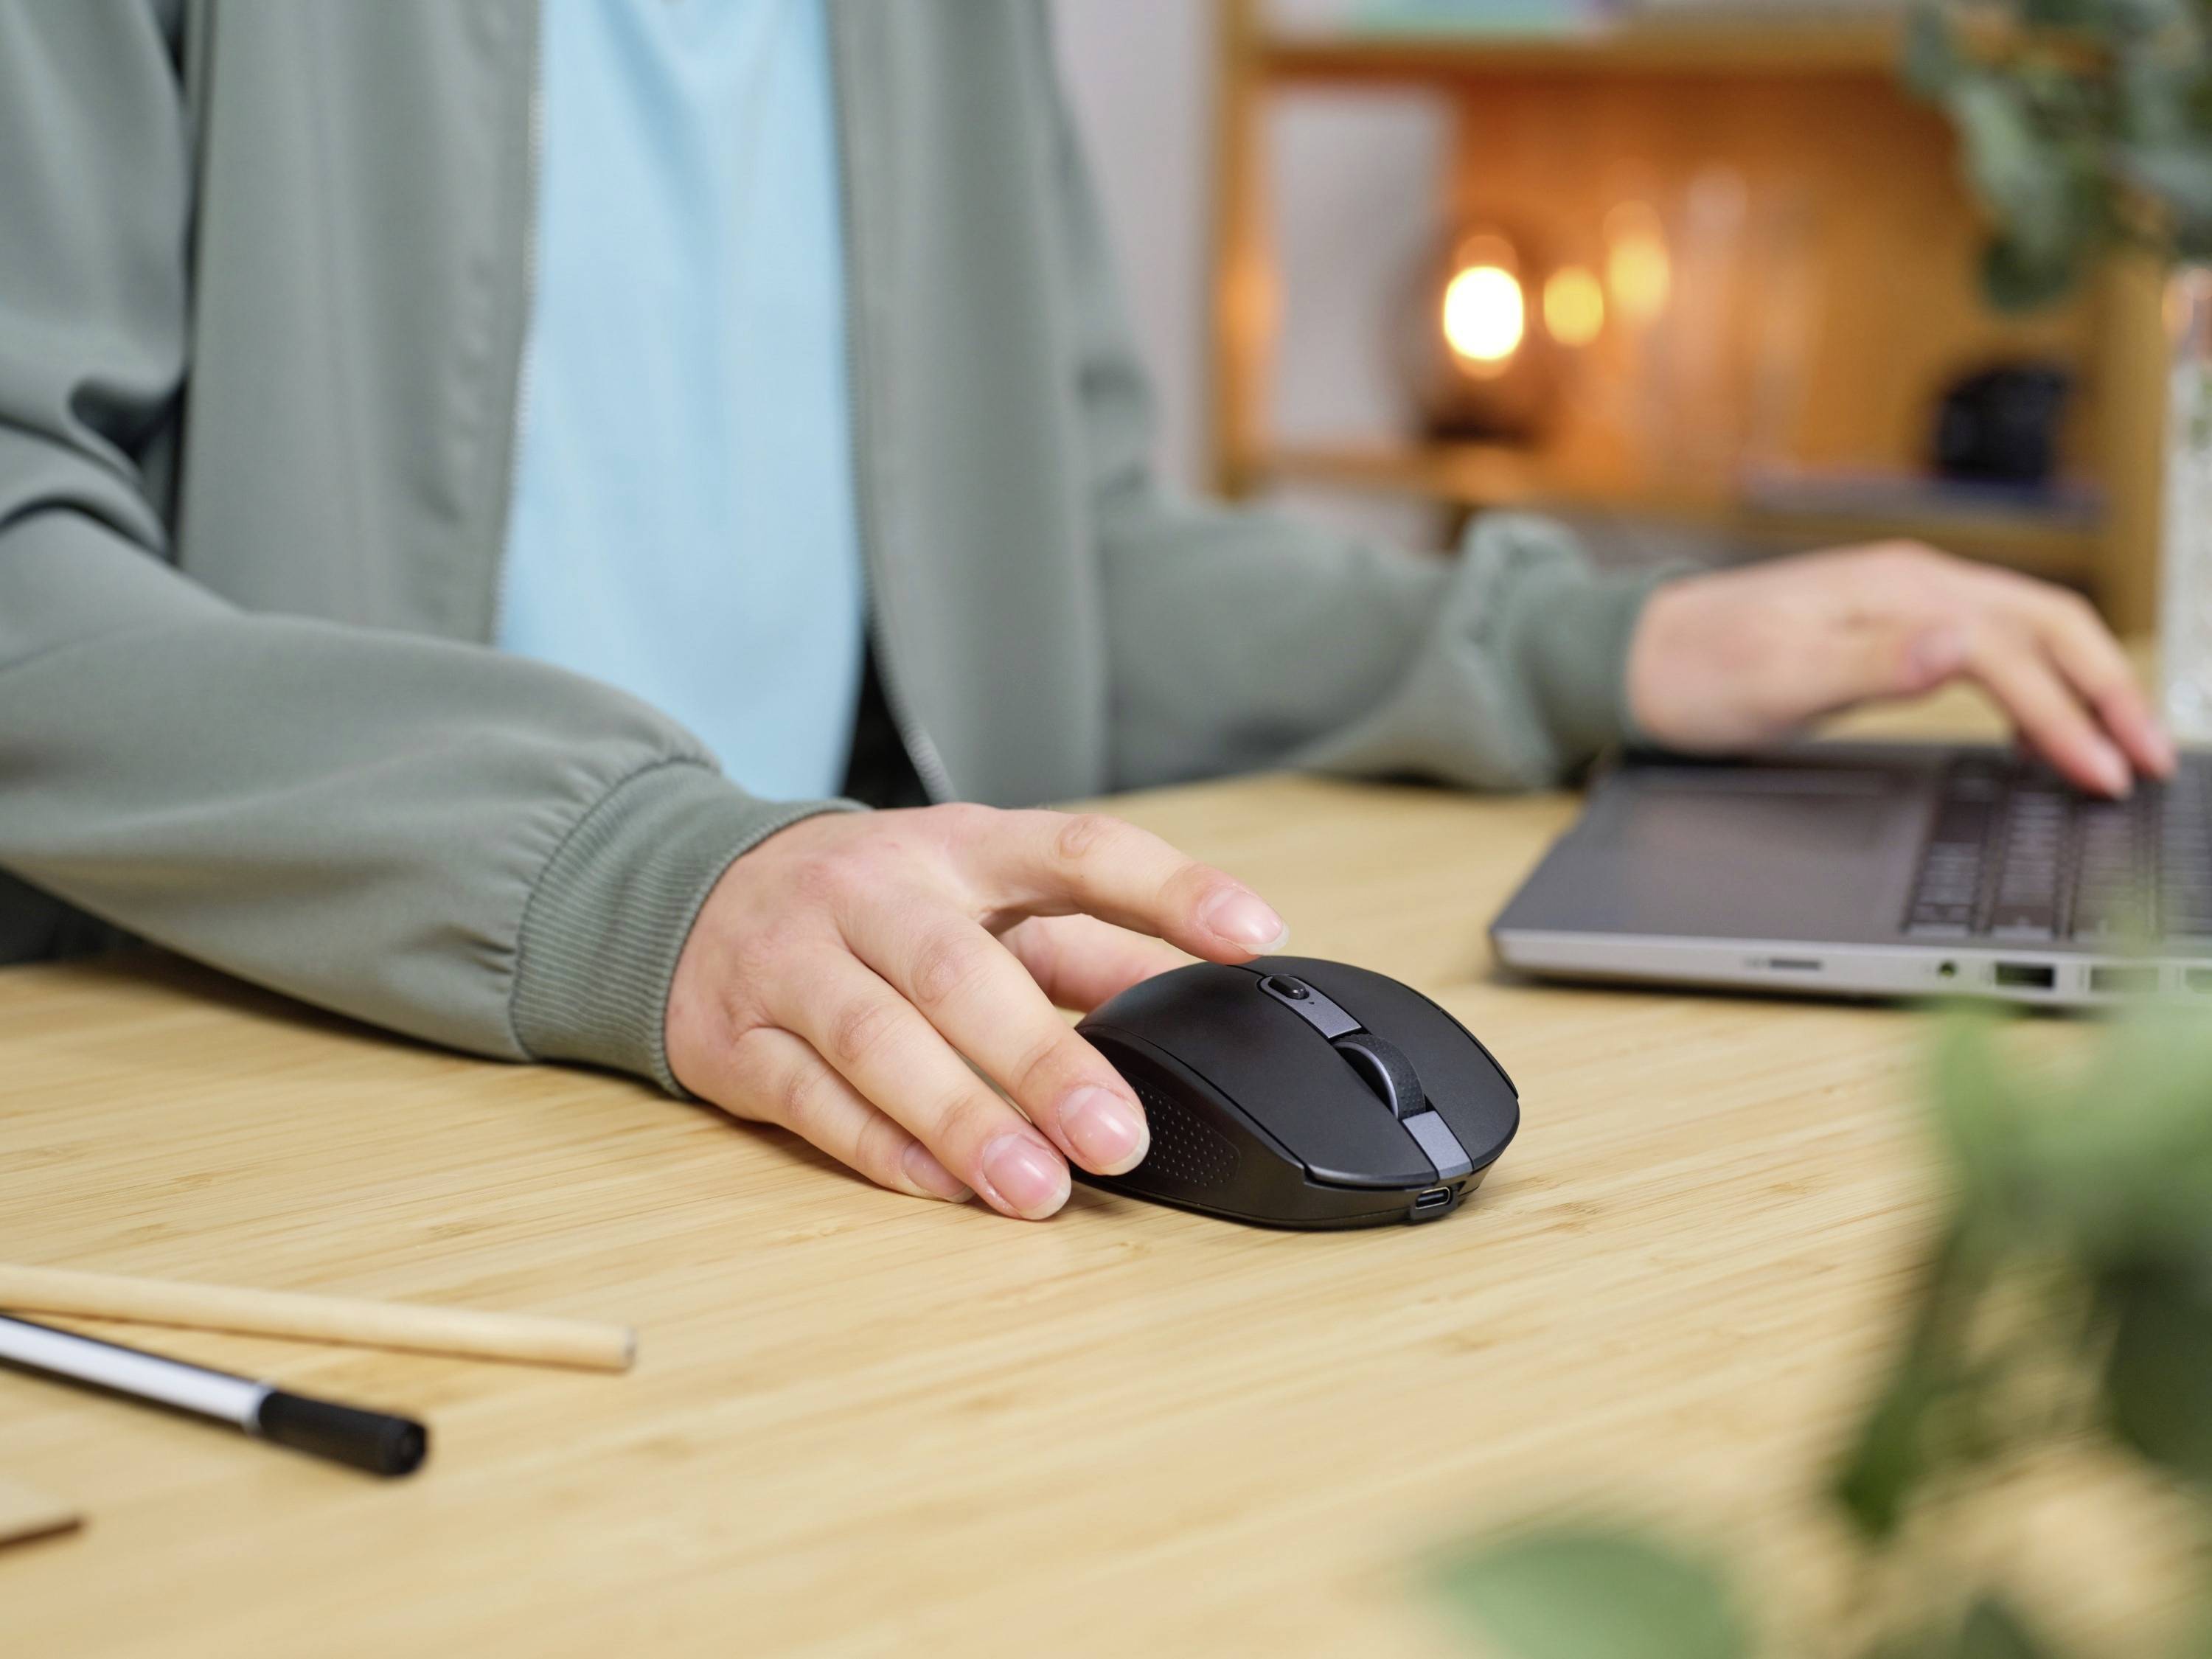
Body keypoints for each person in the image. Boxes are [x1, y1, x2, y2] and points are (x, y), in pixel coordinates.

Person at [0, 1, 2171, 1222]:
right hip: (302, 1098)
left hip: (816, 1095)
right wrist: (645, 877)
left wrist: (1595, 649)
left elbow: (1061, 563)